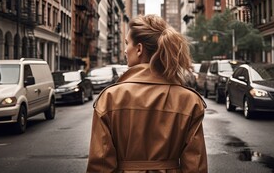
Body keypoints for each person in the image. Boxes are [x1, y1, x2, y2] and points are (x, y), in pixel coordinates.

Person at [86, 14, 207, 172]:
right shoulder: (189, 100)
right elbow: (195, 166)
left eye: (127, 43)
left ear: (139, 49)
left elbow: (100, 165)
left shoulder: (110, 98)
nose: (124, 50)